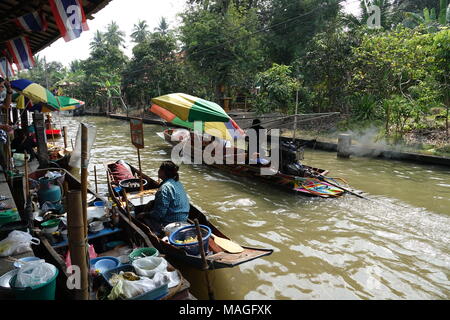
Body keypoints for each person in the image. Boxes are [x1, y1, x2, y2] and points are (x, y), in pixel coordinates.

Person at [139, 161, 190, 236]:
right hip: (184, 219)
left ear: (163, 172)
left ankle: (158, 234)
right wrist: (153, 202)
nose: (158, 170)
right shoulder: (177, 183)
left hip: (170, 224)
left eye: (160, 169)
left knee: (142, 218)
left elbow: (159, 215)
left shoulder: (164, 189)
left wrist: (145, 214)